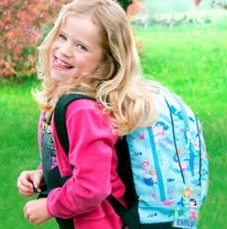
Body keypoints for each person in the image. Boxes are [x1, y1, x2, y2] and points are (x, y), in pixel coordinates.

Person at [16, 0, 157, 228]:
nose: (64, 51)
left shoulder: (82, 110)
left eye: (81, 47)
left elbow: (92, 186)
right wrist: (43, 175)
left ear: (106, 61)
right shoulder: (63, 99)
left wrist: (50, 206)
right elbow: (72, 159)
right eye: (62, 37)